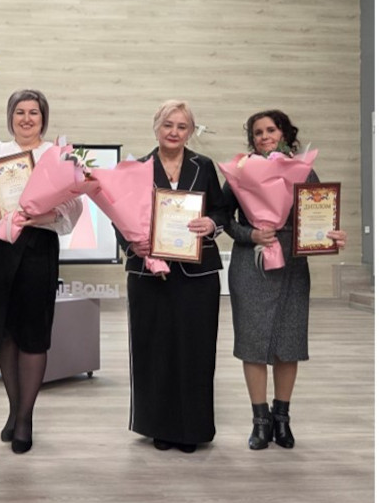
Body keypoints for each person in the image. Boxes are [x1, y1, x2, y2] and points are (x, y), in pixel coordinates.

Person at [0, 87, 83, 452]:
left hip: (38, 244)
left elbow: (73, 205)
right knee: (5, 330)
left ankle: (26, 418)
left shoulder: (57, 155)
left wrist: (44, 216)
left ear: (44, 118)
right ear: (10, 117)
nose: (26, 119)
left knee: (33, 332)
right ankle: (14, 409)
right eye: (19, 112)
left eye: (33, 113)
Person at [222, 109, 346, 451]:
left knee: (289, 344)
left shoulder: (303, 169)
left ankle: (282, 418)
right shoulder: (240, 170)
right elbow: (223, 219)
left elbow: (319, 212)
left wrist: (332, 236)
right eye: (258, 132)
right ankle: (260, 421)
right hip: (251, 264)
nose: (264, 136)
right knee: (252, 343)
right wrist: (250, 234)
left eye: (271, 130)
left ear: (285, 134)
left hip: (292, 265)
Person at [118, 101, 228, 450]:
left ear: (190, 132)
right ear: (156, 127)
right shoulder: (137, 168)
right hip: (149, 272)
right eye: (168, 124)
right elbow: (119, 215)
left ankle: (191, 430)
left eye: (182, 126)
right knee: (153, 350)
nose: (174, 132)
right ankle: (158, 427)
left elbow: (221, 211)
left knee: (196, 350)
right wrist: (131, 244)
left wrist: (211, 223)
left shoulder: (204, 166)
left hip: (197, 273)